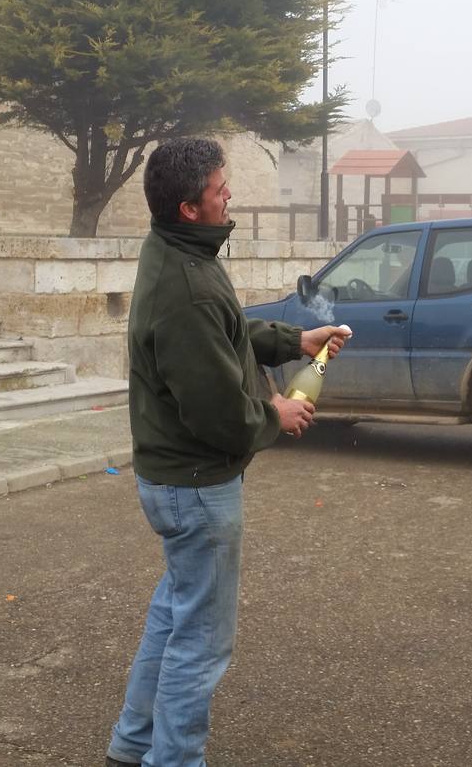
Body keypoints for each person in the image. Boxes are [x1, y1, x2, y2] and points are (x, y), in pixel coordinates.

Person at [107, 138, 349, 767]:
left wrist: (300, 339)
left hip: (177, 480)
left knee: (174, 617)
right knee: (201, 644)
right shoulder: (184, 285)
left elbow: (230, 333)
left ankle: (131, 748)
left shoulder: (183, 253)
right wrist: (276, 413)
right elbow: (219, 414)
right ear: (190, 206)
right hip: (196, 487)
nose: (229, 194)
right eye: (221, 187)